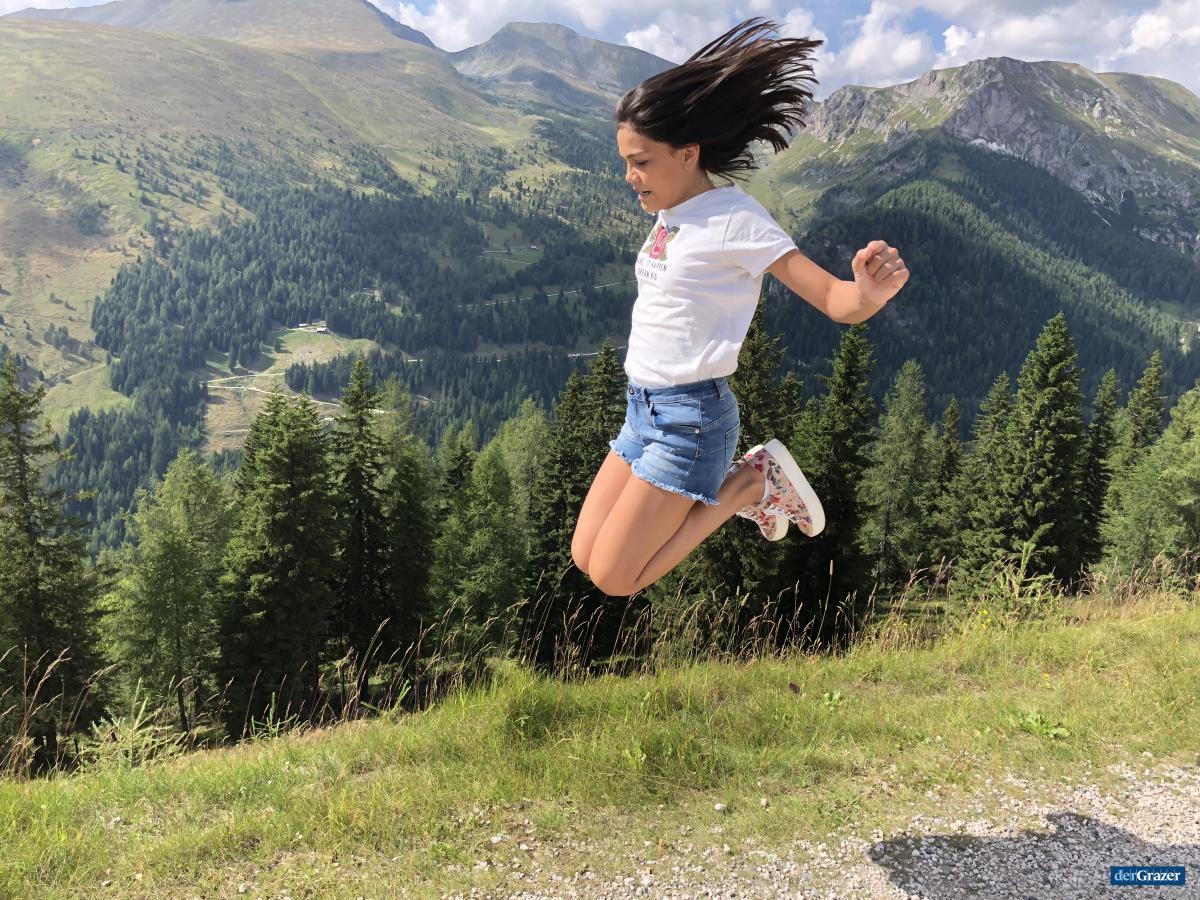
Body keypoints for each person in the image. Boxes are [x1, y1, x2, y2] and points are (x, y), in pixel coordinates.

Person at [570, 17, 910, 598]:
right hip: (641, 411)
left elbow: (835, 299)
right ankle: (748, 482)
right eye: (626, 161)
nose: (630, 176)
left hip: (689, 421)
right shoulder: (672, 208)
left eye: (641, 161)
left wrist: (867, 294)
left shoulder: (736, 220)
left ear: (687, 153)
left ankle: (750, 484)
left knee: (615, 578)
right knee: (584, 554)